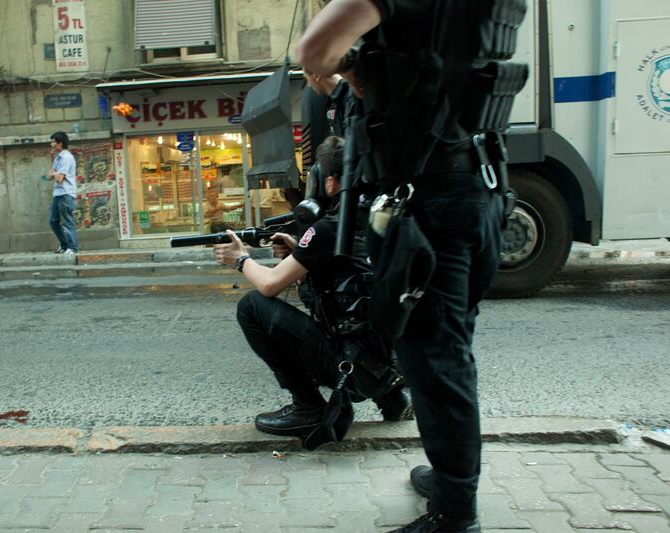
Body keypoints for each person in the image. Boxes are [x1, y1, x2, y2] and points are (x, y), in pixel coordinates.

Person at [298, 2, 505, 532]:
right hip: (477, 186)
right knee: (450, 353)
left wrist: (340, 68)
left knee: (436, 363)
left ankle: (455, 516)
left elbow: (314, 50)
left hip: (430, 202)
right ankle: (451, 479)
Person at [213, 136, 411, 444]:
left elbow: (268, 285)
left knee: (251, 306)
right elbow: (349, 285)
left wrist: (240, 260)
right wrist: (301, 255)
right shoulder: (381, 221)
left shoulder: (328, 229)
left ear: (331, 183)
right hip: (392, 367)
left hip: (350, 370)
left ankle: (307, 408)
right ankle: (394, 400)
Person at [47, 131, 78, 254]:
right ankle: (64, 245)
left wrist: (55, 174)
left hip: (65, 194)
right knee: (53, 221)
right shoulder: (58, 158)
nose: (52, 144)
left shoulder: (66, 157)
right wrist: (55, 174)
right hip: (58, 194)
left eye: (53, 141)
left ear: (60, 143)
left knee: (67, 221)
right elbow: (50, 175)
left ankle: (72, 247)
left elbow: (59, 179)